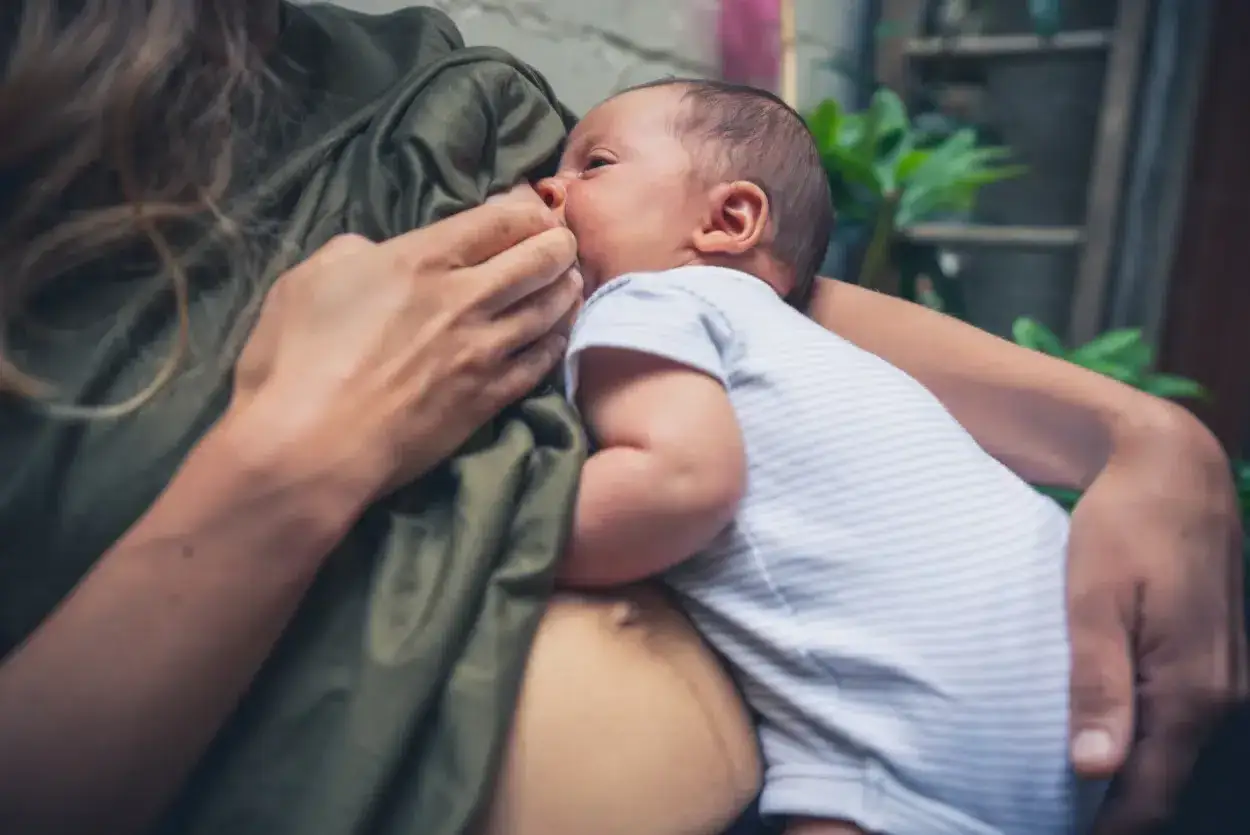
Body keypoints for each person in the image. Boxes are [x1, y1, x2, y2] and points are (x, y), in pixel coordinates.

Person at [0, 3, 1242, 835]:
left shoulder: (370, 78)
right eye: (570, 165)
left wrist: (1135, 434)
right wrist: (300, 463)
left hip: (891, 751)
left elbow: (741, 290)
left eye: (583, 168)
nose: (549, 189)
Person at [550, 78, 1104, 834]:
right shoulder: (824, 349)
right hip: (1073, 682)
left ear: (730, 217)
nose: (549, 186)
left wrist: (485, 538)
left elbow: (678, 481)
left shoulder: (653, 299)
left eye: (595, 163)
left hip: (914, 744)